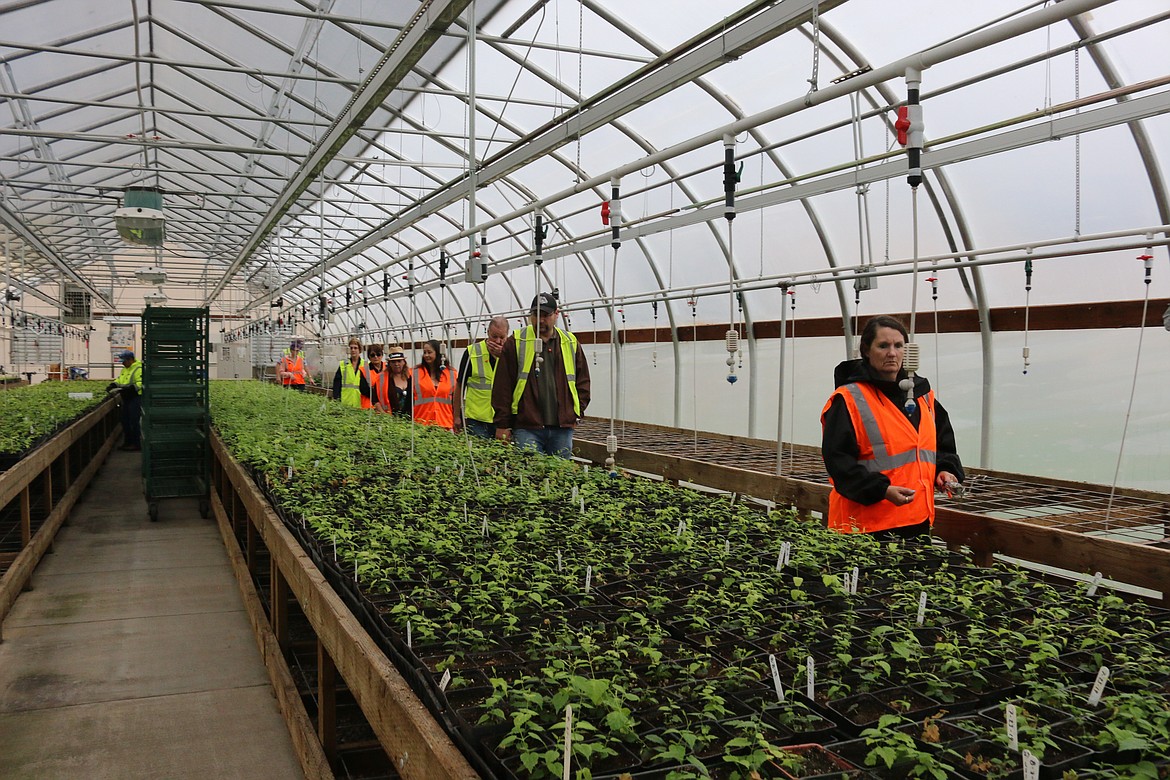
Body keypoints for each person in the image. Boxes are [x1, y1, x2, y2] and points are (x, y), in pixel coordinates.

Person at [820, 315, 964, 541]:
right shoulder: (848, 400)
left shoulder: (923, 396)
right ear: (866, 350)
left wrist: (945, 470)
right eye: (883, 346)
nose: (892, 353)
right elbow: (839, 462)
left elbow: (941, 444)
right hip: (864, 527)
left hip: (916, 520)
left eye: (898, 346)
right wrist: (881, 490)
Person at [492, 292, 591, 458]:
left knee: (560, 476)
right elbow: (503, 386)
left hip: (562, 428)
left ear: (556, 314)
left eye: (546, 315)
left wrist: (575, 412)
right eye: (536, 315)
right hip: (527, 426)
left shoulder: (570, 342)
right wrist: (503, 424)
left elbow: (582, 381)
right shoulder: (517, 341)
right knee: (530, 476)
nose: (541, 320)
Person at [458, 316, 510, 439]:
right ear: (487, 333)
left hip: (501, 420)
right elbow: (460, 385)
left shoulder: (511, 354)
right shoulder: (472, 352)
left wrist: (504, 356)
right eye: (494, 336)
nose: (498, 341)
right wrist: (457, 416)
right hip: (477, 420)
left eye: (502, 337)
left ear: (508, 335)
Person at [412, 339, 461, 432]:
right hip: (421, 423)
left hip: (445, 423)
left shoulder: (451, 373)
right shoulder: (416, 372)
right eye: (424, 352)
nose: (426, 355)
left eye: (429, 352)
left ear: (438, 353)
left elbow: (456, 399)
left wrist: (457, 419)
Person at [107, 350, 143, 451]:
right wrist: (113, 384)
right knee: (125, 421)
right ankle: (128, 443)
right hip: (127, 398)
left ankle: (136, 444)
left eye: (124, 361)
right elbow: (120, 380)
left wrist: (132, 388)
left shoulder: (139, 369)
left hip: (135, 398)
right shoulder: (125, 369)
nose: (122, 363)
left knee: (133, 421)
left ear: (130, 360)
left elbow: (141, 382)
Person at [331, 337, 365, 408]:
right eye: (351, 348)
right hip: (346, 402)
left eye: (355, 348)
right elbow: (337, 383)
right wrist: (336, 399)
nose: (353, 350)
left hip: (360, 403)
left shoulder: (366, 365)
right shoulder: (343, 364)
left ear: (360, 350)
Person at [361, 343, 391, 412]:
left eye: (378, 354)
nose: (376, 357)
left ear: (382, 355)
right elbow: (364, 390)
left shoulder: (388, 368)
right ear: (369, 357)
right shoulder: (364, 370)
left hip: (386, 408)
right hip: (370, 408)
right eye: (372, 355)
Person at [385, 346, 412, 418]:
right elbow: (376, 401)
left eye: (399, 361)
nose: (396, 364)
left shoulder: (411, 377)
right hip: (392, 419)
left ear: (404, 362)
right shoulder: (384, 379)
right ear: (389, 364)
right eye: (393, 362)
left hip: (413, 418)